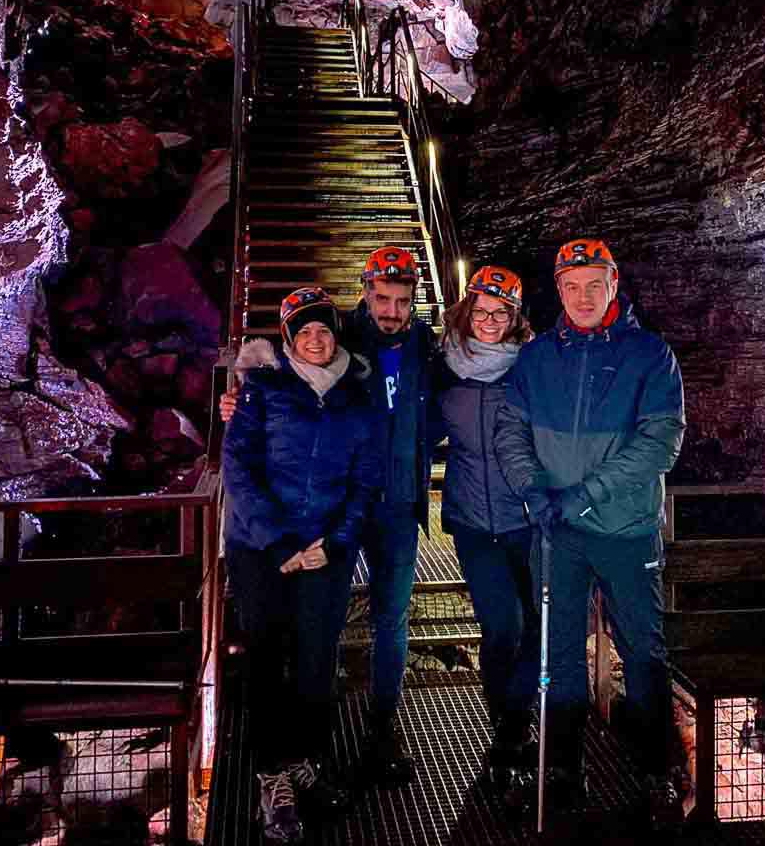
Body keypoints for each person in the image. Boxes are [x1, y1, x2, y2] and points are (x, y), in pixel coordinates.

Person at [221, 246, 437, 786]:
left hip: (391, 501)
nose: (390, 309)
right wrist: (239, 399)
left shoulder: (427, 346)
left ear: (415, 302)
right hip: (324, 510)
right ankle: (289, 756)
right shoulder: (338, 335)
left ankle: (377, 734)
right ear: (363, 292)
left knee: (385, 620)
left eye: (401, 301)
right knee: (299, 634)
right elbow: (280, 365)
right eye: (381, 298)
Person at [493, 238, 689, 832]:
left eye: (592, 284)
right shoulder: (536, 359)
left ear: (612, 284)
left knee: (642, 652)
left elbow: (660, 442)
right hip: (557, 533)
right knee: (558, 652)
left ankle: (655, 773)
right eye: (571, 286)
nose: (582, 296)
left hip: (625, 531)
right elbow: (510, 429)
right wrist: (532, 489)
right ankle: (562, 770)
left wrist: (584, 494)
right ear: (559, 290)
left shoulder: (650, 356)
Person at [221, 287, 381, 842]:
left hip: (325, 553)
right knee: (268, 658)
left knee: (317, 661)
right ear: (288, 339)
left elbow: (365, 482)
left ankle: (304, 762)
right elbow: (238, 466)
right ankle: (273, 775)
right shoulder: (262, 390)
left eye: (324, 329)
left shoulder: (355, 400)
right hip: (263, 550)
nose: (316, 339)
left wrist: (335, 543)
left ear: (336, 335)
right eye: (304, 331)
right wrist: (279, 541)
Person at [430, 266, 538, 790]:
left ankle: (521, 718)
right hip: (474, 520)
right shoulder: (443, 366)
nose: (490, 321)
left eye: (501, 313)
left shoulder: (534, 366)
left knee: (538, 629)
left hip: (528, 518)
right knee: (503, 626)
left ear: (515, 318)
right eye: (481, 311)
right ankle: (509, 728)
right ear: (465, 312)